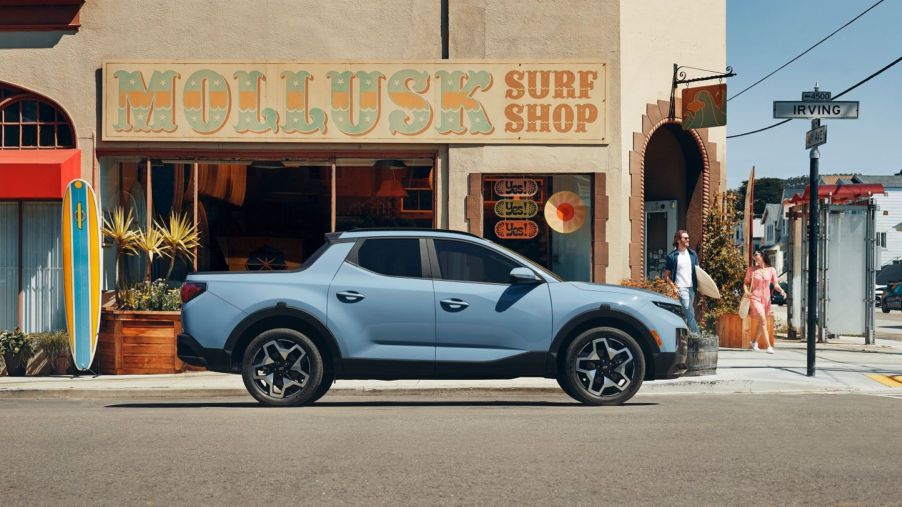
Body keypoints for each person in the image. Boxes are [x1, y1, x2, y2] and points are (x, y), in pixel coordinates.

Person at [744, 250, 786, 353]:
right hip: (755, 297)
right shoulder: (752, 270)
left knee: (762, 322)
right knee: (763, 320)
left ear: (762, 256)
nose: (754, 257)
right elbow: (745, 283)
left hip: (766, 300)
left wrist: (781, 291)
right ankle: (769, 346)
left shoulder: (771, 270)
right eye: (753, 255)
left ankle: (754, 342)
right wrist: (747, 292)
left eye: (756, 255)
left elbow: (775, 284)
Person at [663, 229, 699, 333]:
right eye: (685, 238)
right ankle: (698, 335)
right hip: (681, 288)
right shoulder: (672, 256)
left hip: (692, 288)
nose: (688, 239)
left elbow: (698, 271)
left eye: (688, 238)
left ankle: (683, 336)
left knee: (686, 314)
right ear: (679, 240)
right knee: (689, 311)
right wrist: (674, 287)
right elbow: (666, 276)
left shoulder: (693, 254)